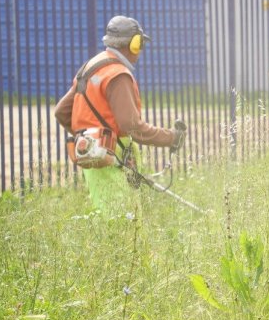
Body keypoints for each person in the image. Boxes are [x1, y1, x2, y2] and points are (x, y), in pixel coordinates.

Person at [55, 15, 185, 215]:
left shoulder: (91, 67)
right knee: (125, 221)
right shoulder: (118, 74)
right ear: (133, 44)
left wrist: (90, 140)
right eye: (140, 43)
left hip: (95, 157)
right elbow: (131, 126)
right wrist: (171, 137)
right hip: (115, 156)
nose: (141, 49)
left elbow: (62, 112)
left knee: (108, 216)